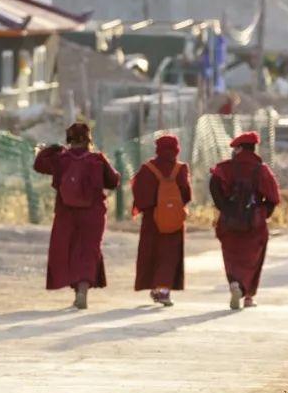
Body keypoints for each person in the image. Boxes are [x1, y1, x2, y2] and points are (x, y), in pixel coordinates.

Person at [33, 122, 121, 309]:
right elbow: (114, 181)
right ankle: (83, 289)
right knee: (88, 251)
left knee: (70, 250)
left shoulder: (61, 159)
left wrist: (51, 149)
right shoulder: (97, 159)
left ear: (69, 139)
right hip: (93, 214)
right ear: (89, 139)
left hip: (66, 213)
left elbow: (38, 165)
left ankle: (76, 291)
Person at [209, 132, 281, 309]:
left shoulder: (225, 168)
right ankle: (247, 295)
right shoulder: (261, 169)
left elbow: (214, 186)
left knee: (231, 257)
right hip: (254, 224)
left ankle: (235, 284)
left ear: (240, 149)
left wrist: (225, 208)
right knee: (253, 260)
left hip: (229, 223)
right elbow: (273, 198)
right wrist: (262, 214)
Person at [132, 134, 192, 307]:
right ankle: (164, 290)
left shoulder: (147, 168)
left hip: (152, 220)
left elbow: (140, 196)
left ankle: (155, 287)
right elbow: (187, 195)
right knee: (170, 255)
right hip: (174, 221)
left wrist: (153, 208)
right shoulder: (180, 169)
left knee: (152, 253)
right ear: (176, 149)